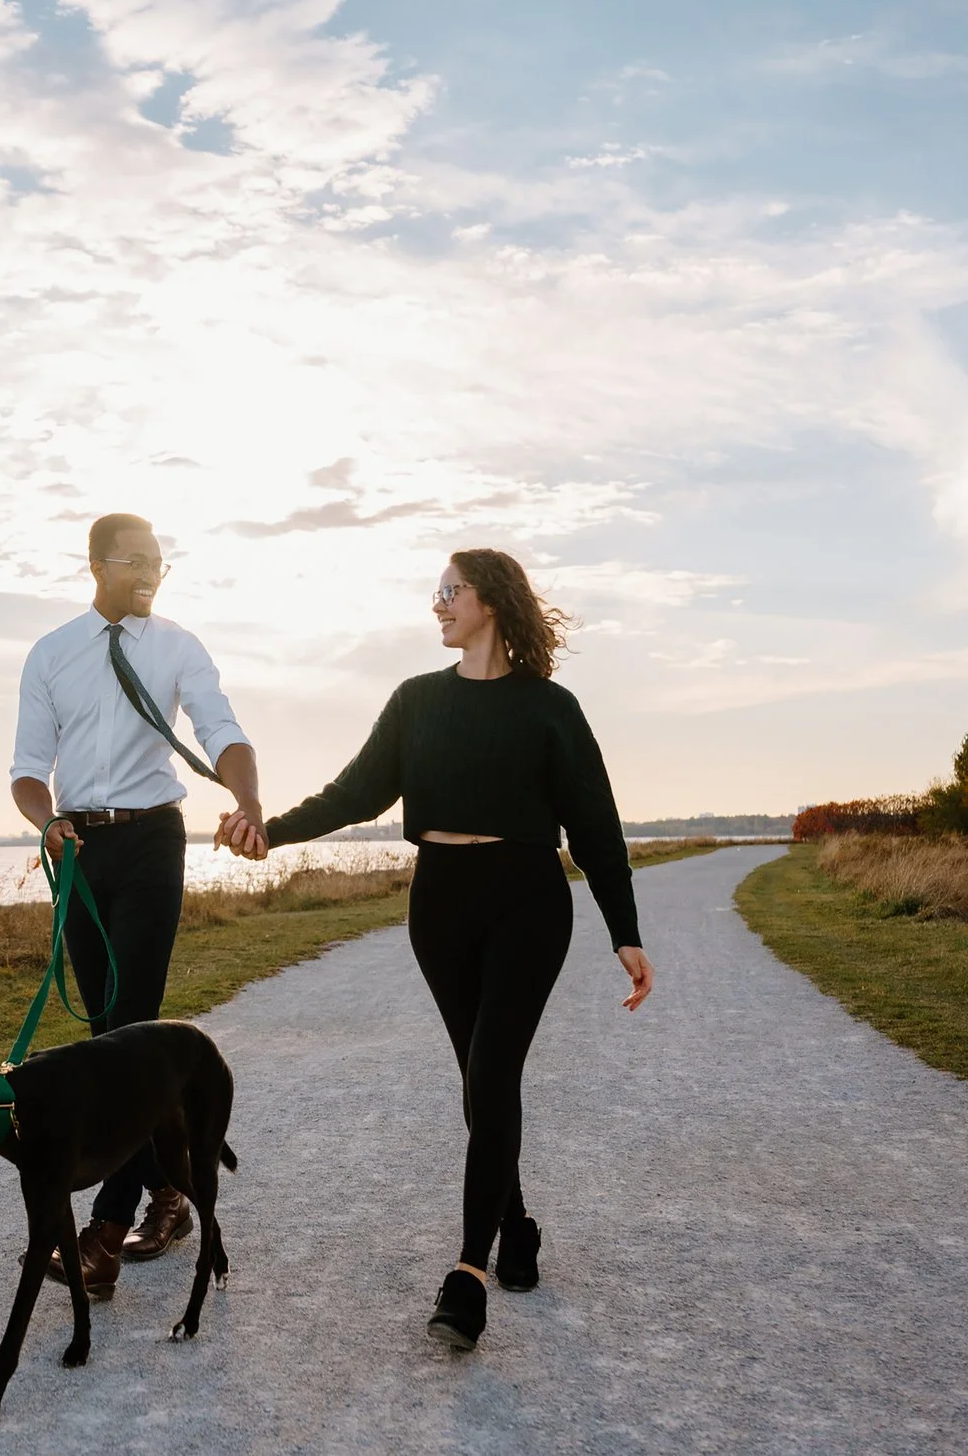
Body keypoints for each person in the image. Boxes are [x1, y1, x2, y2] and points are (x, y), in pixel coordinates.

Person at [220, 547, 653, 1351]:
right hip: (441, 903)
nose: (437, 603)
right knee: (479, 1079)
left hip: (528, 899)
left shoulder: (550, 707)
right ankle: (516, 1222)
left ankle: (468, 1275)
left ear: (489, 600)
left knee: (492, 1072)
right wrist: (269, 831)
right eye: (437, 591)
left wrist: (623, 929)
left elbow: (596, 825)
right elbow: (355, 793)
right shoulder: (417, 701)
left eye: (449, 590)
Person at [10, 512, 265, 1300]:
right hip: (81, 855)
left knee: (133, 1022)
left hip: (156, 840)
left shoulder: (178, 646)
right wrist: (45, 819)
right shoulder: (50, 655)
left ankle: (102, 1234)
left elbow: (222, 730)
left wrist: (248, 801)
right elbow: (25, 768)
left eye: (159, 561)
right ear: (96, 564)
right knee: (104, 1033)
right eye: (136, 561)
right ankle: (169, 1186)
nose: (151, 572)